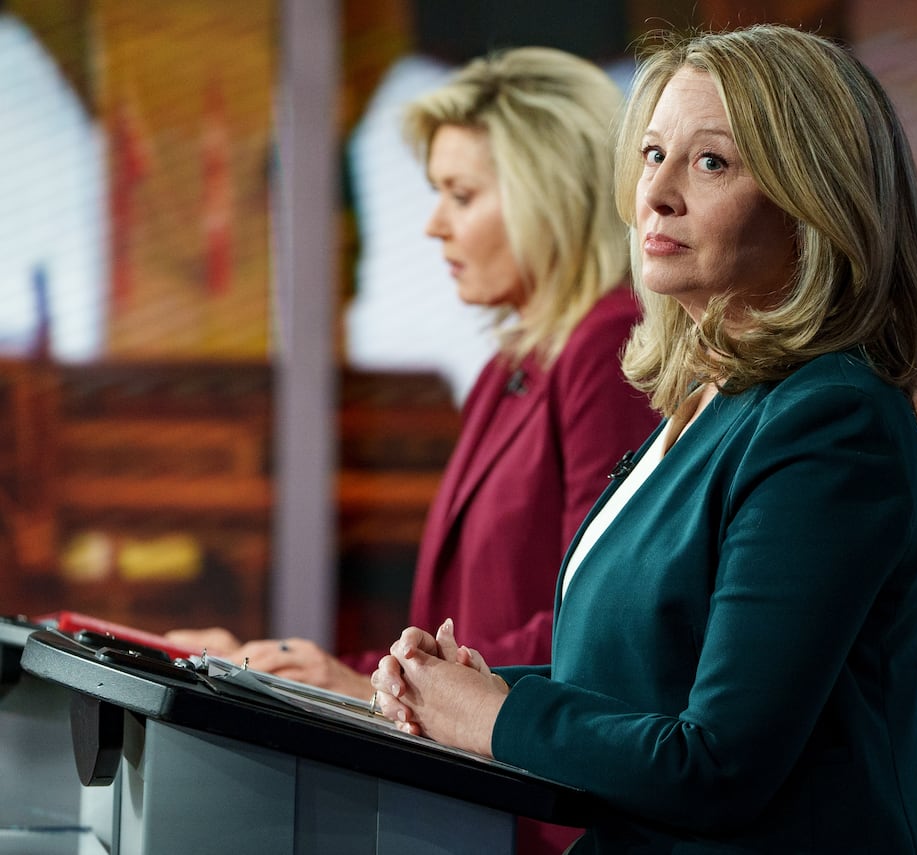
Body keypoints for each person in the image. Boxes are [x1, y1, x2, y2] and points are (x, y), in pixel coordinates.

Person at [372, 24, 917, 854]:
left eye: (711, 162)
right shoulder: (707, 404)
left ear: (811, 201)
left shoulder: (832, 421)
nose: (657, 193)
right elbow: (644, 684)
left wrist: (499, 716)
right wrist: (470, 687)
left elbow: (717, 762)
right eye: (652, 155)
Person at [168, 47, 658, 855]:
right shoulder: (513, 367)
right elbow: (459, 629)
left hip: (540, 810)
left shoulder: (606, 348)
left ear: (551, 198)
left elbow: (596, 633)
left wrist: (377, 690)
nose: (434, 224)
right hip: (486, 797)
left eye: (460, 195)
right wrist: (285, 670)